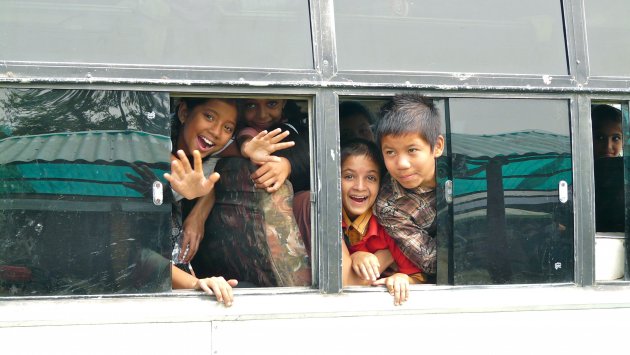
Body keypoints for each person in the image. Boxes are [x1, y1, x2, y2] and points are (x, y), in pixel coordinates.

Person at [340, 139, 427, 306]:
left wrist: (402, 279)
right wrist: (358, 256)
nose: (359, 186)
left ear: (382, 183)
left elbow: (420, 278)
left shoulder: (390, 227)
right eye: (349, 176)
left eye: (371, 178)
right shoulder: (328, 218)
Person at [373, 93, 445, 276]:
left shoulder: (462, 168)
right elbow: (434, 262)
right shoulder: (390, 205)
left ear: (437, 146)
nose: (402, 164)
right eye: (390, 152)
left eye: (412, 150)